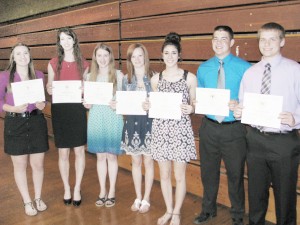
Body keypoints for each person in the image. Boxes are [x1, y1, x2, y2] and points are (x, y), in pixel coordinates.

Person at [234, 22, 300, 225]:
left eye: (272, 39)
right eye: (263, 39)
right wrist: (239, 111)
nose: (267, 44)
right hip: (255, 140)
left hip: (284, 142)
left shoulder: (295, 70)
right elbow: (244, 105)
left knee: (285, 197)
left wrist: (296, 119)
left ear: (282, 41)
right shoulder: (250, 73)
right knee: (256, 195)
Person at [194, 26, 251, 225]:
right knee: (208, 172)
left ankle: (237, 215)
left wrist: (240, 104)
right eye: (215, 38)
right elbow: (199, 97)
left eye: (224, 38)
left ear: (232, 42)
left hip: (234, 129)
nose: (219, 42)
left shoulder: (245, 68)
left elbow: (251, 99)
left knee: (235, 174)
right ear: (212, 41)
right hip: (209, 126)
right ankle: (208, 210)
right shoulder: (203, 68)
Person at [150, 32, 197, 225]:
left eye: (173, 53)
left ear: (179, 55)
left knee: (179, 175)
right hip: (161, 130)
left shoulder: (189, 78)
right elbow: (155, 104)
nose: (170, 56)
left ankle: (177, 212)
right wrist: (148, 105)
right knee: (165, 174)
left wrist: (191, 108)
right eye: (166, 53)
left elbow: (195, 103)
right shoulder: (155, 79)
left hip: (180, 131)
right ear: (162, 55)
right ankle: (168, 209)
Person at [0, 43, 49, 216]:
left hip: (36, 122)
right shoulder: (5, 76)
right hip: (15, 124)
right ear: (13, 57)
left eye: (25, 53)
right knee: (20, 166)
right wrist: (12, 109)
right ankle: (27, 201)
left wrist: (42, 104)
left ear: (30, 55)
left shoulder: (39, 75)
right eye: (18, 54)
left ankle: (38, 198)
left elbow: (42, 102)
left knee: (38, 164)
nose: (22, 57)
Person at [46, 27, 89, 207]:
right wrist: (49, 89)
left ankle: (77, 187)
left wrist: (84, 92)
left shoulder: (84, 63)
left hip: (77, 110)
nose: (66, 41)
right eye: (62, 39)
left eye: (69, 38)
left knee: (79, 151)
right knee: (63, 152)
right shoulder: (53, 63)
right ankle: (66, 188)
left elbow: (87, 88)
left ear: (74, 40)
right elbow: (49, 86)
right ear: (59, 42)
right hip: (61, 111)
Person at [83, 43, 124, 208]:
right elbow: (87, 100)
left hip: (113, 117)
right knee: (100, 156)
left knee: (112, 156)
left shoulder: (119, 75)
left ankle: (112, 191)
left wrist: (118, 103)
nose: (102, 59)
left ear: (110, 57)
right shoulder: (89, 76)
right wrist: (86, 103)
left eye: (105, 55)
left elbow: (125, 98)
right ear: (95, 58)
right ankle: (102, 191)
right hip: (96, 118)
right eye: (99, 55)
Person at [121, 43, 154, 213]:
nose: (137, 59)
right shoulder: (126, 79)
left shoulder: (155, 77)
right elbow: (121, 103)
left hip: (149, 124)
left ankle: (147, 198)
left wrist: (152, 105)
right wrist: (115, 104)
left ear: (145, 57)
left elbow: (161, 104)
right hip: (132, 124)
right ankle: (138, 196)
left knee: (148, 161)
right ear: (130, 59)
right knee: (135, 161)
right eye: (133, 56)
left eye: (140, 55)